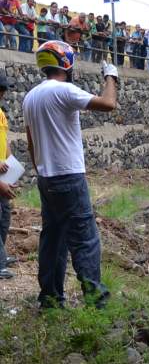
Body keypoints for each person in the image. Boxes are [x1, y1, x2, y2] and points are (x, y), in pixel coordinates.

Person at [23, 40, 118, 309]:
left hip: (46, 178)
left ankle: (50, 299)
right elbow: (109, 103)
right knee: (85, 240)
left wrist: (42, 171)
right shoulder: (64, 90)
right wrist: (111, 76)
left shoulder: (30, 97)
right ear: (65, 62)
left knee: (53, 239)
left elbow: (31, 144)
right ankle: (96, 301)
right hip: (69, 176)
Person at [0, 72, 18, 280]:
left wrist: (12, 166)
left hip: (4, 173)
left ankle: (1, 255)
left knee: (4, 216)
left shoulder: (1, 114)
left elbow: (4, 141)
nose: (3, 94)